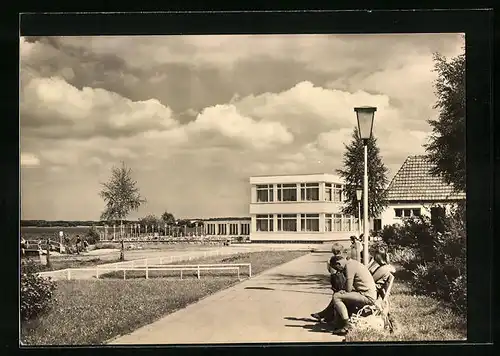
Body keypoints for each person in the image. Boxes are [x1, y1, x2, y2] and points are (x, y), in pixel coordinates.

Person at [330, 255, 378, 335]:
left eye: (337, 269)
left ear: (339, 264)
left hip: (367, 296)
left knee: (336, 296)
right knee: (340, 295)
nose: (339, 271)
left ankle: (346, 325)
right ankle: (339, 322)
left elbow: (348, 288)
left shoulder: (349, 267)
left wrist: (343, 290)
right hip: (368, 293)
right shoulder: (353, 263)